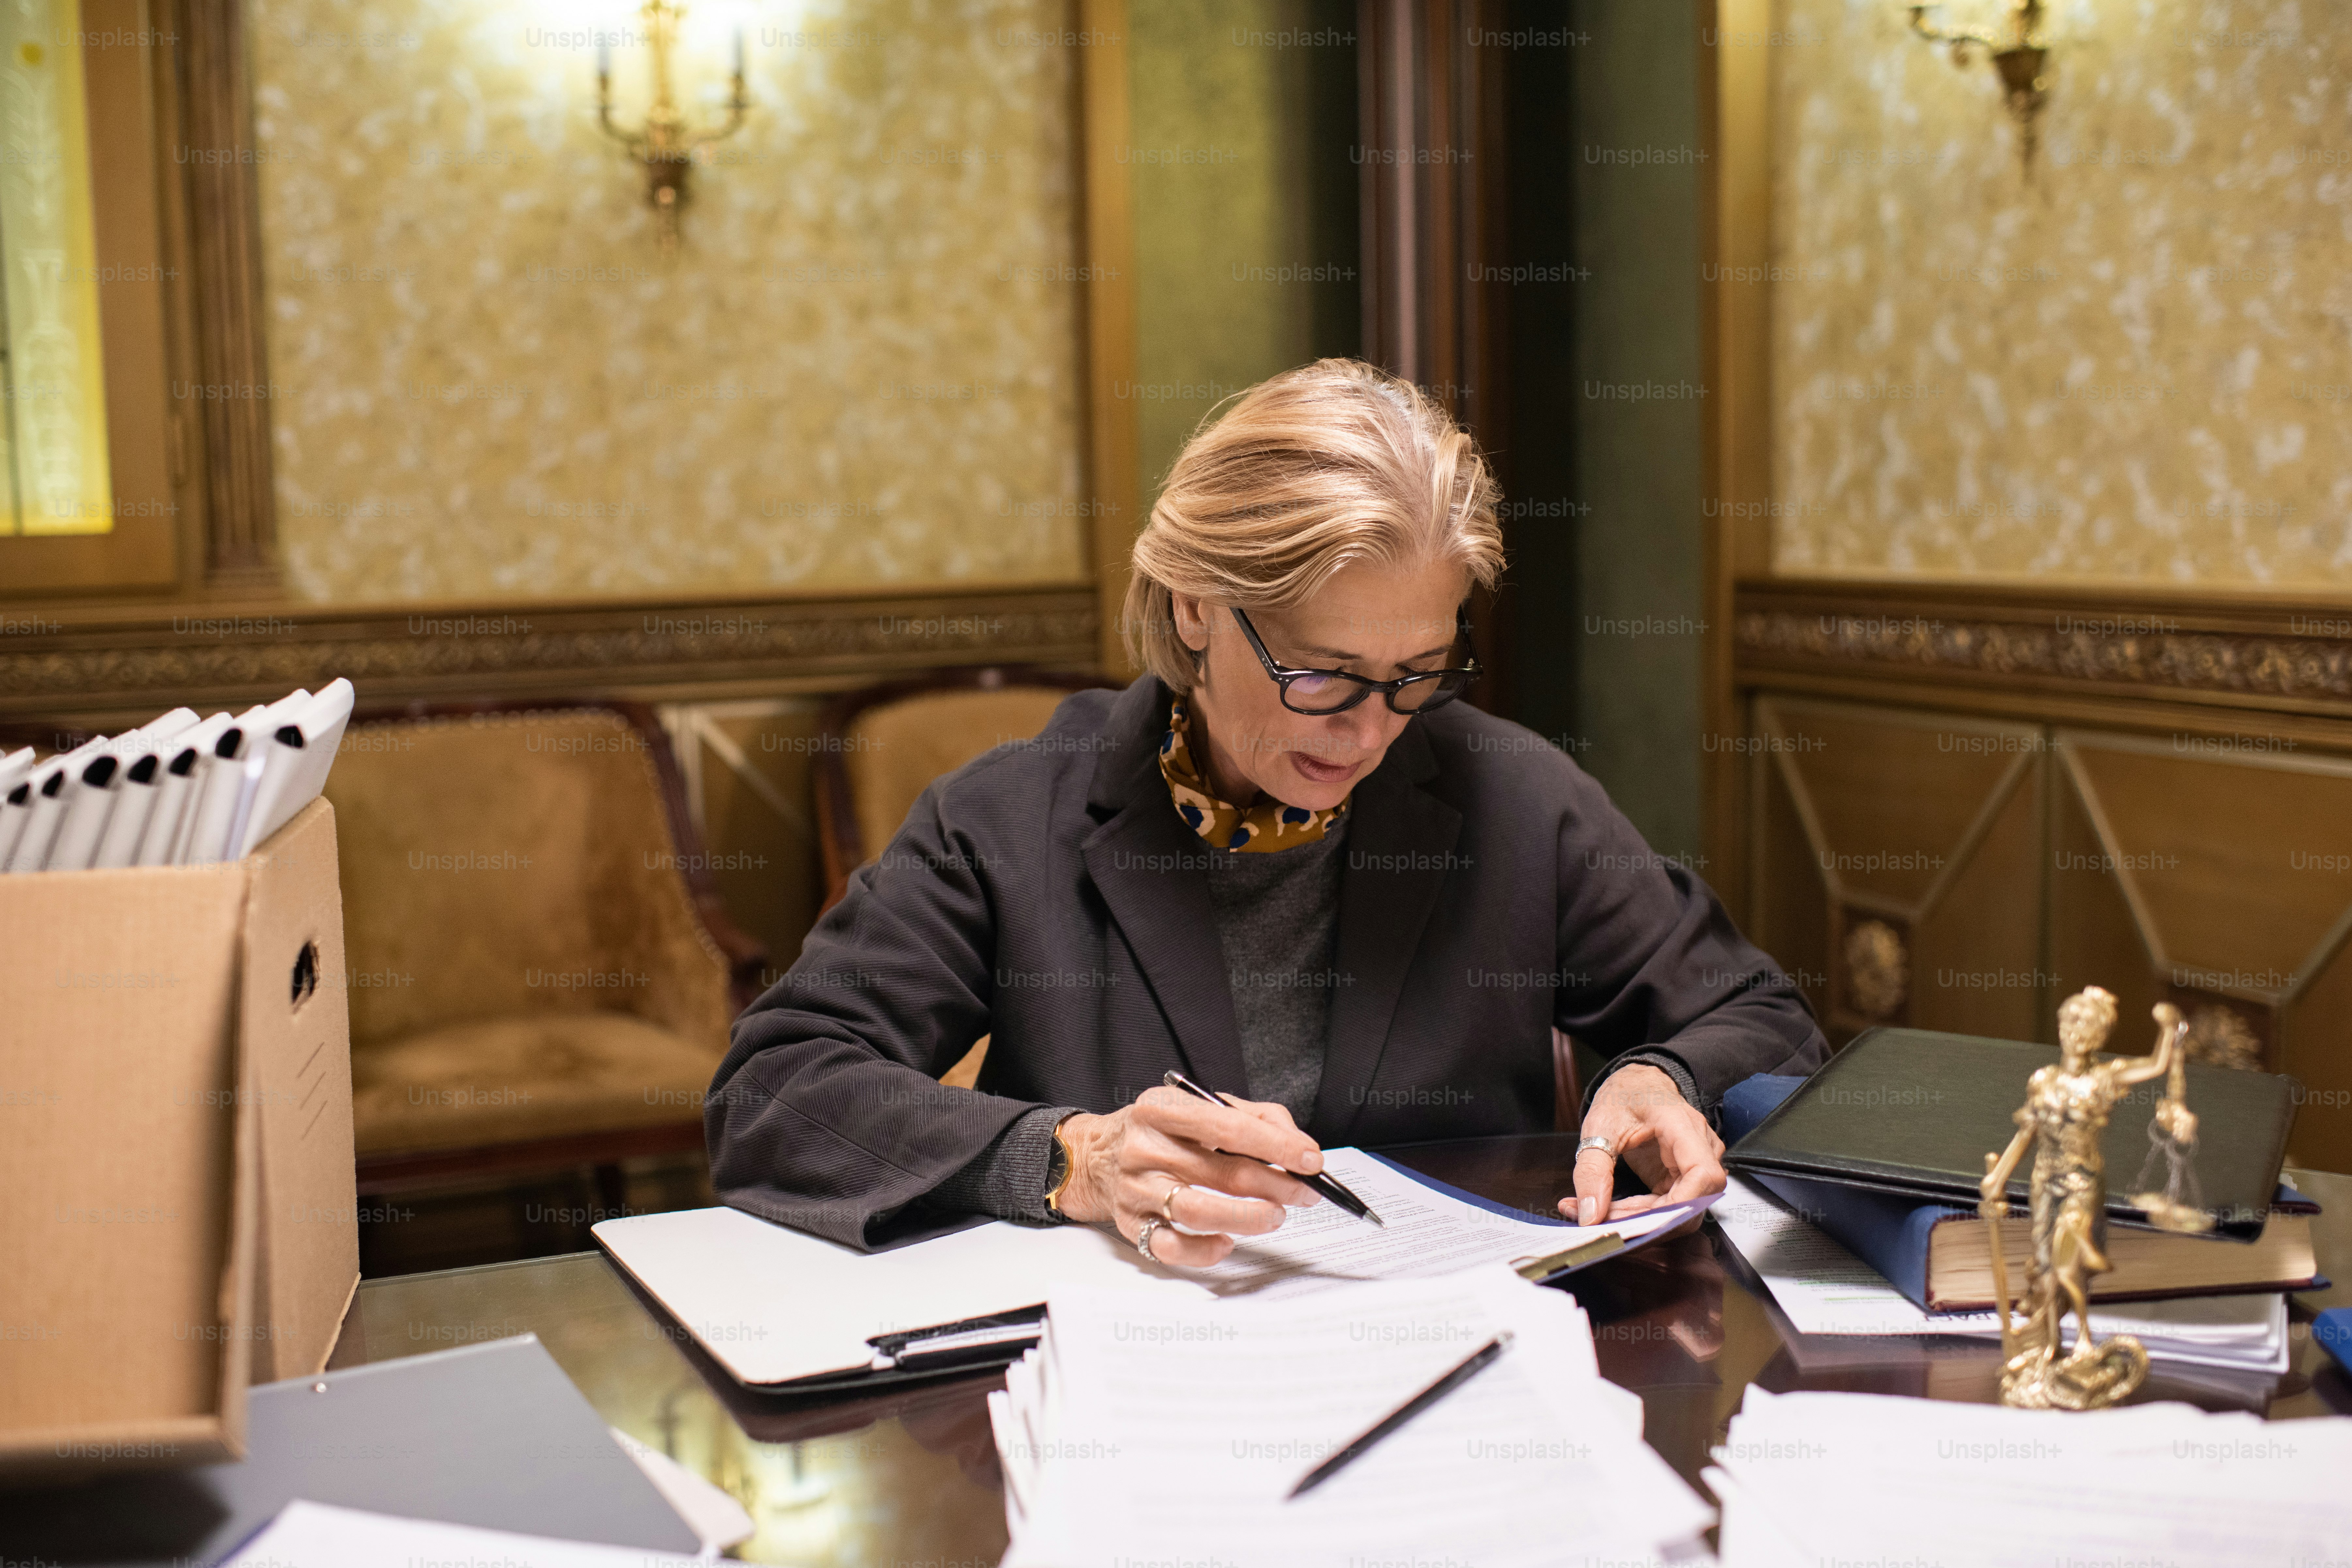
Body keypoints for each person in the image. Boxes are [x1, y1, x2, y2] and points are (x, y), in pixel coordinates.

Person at [708, 359, 1826, 1266]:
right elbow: (777, 1093)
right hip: (1131, 1400)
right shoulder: (1009, 817)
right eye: (1323, 674)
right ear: (1199, 605)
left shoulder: (1510, 796)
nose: (1369, 732)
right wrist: (1075, 1158)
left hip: (1467, 1363)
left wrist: (1665, 1076)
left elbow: (1760, 1016)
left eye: (1415, 672)